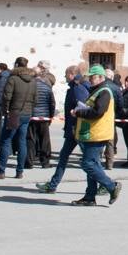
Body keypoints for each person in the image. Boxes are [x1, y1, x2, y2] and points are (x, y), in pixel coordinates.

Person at [69, 65, 122, 206]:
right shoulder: (98, 90)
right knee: (93, 164)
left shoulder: (104, 91)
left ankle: (111, 186)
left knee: (88, 164)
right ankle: (90, 197)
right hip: (92, 133)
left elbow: (98, 112)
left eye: (93, 77)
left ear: (101, 77)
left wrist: (79, 112)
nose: (90, 79)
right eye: (90, 77)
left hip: (97, 133)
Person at [36, 64, 90, 193]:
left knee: (90, 160)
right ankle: (53, 185)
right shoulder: (74, 87)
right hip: (72, 129)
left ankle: (104, 184)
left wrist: (74, 116)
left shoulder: (77, 88)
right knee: (63, 157)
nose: (65, 77)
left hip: (77, 129)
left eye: (66, 75)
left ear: (71, 74)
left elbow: (83, 106)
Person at [0, 57, 35, 180]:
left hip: (14, 113)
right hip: (26, 113)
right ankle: (20, 171)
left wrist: (6, 110)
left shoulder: (13, 79)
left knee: (6, 140)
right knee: (22, 141)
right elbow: (36, 99)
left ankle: (1, 170)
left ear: (16, 64)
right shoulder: (33, 81)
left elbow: (6, 97)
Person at [28, 63, 57, 169]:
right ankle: (45, 162)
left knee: (30, 139)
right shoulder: (47, 86)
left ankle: (29, 161)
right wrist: (51, 115)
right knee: (44, 140)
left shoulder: (29, 86)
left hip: (32, 116)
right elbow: (52, 102)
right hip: (44, 117)